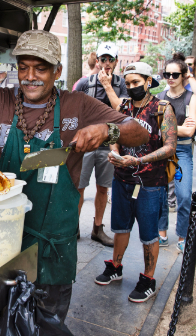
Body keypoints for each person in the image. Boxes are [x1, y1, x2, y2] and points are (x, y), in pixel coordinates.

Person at [0, 30, 150, 321]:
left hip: (51, 251)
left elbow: (140, 130)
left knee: (47, 324)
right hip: (0, 244)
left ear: (58, 71)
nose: (30, 76)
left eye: (40, 68)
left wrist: (108, 130)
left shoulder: (77, 105)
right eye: (23, 67)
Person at [94, 61, 177, 303]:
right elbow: (113, 133)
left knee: (149, 233)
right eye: (128, 83)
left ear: (148, 82)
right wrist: (115, 152)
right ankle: (116, 266)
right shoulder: (124, 106)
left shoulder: (162, 109)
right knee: (120, 226)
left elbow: (170, 147)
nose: (131, 87)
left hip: (151, 182)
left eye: (136, 83)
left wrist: (138, 161)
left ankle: (148, 279)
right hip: (122, 178)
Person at [73, 42, 129, 246]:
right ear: (97, 61)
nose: (106, 63)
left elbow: (123, 112)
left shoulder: (120, 84)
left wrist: (107, 85)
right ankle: (74, 226)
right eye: (103, 59)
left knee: (103, 188)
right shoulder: (84, 83)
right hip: (86, 145)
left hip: (109, 144)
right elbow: (72, 109)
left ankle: (98, 228)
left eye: (110, 59)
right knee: (79, 187)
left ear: (116, 62)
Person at [156, 53, 196, 253]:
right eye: (167, 74)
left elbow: (190, 131)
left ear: (183, 75)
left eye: (175, 74)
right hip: (162, 149)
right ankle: (161, 233)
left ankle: (182, 235)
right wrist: (174, 127)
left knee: (184, 195)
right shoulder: (160, 98)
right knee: (162, 193)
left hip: (182, 149)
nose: (170, 78)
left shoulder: (191, 98)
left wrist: (165, 126)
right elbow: (154, 127)